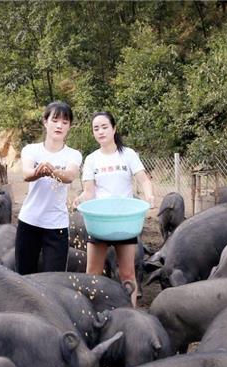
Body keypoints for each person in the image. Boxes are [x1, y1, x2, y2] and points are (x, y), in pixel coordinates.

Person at [74, 111, 155, 307]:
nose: (100, 131)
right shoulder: (92, 159)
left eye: (104, 127)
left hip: (124, 221)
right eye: (96, 128)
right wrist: (80, 199)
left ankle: (131, 312)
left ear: (114, 128)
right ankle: (91, 312)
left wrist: (149, 195)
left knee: (127, 273)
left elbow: (143, 179)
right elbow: (89, 192)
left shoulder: (128, 154)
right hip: (99, 221)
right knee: (92, 272)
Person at [15, 101, 82, 275]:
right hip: (29, 221)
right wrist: (39, 172)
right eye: (55, 120)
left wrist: (52, 171)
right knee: (24, 275)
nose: (59, 125)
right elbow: (27, 174)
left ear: (69, 126)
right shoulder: (31, 150)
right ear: (45, 122)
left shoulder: (73, 154)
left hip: (57, 225)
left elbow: (69, 176)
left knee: (54, 278)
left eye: (65, 122)